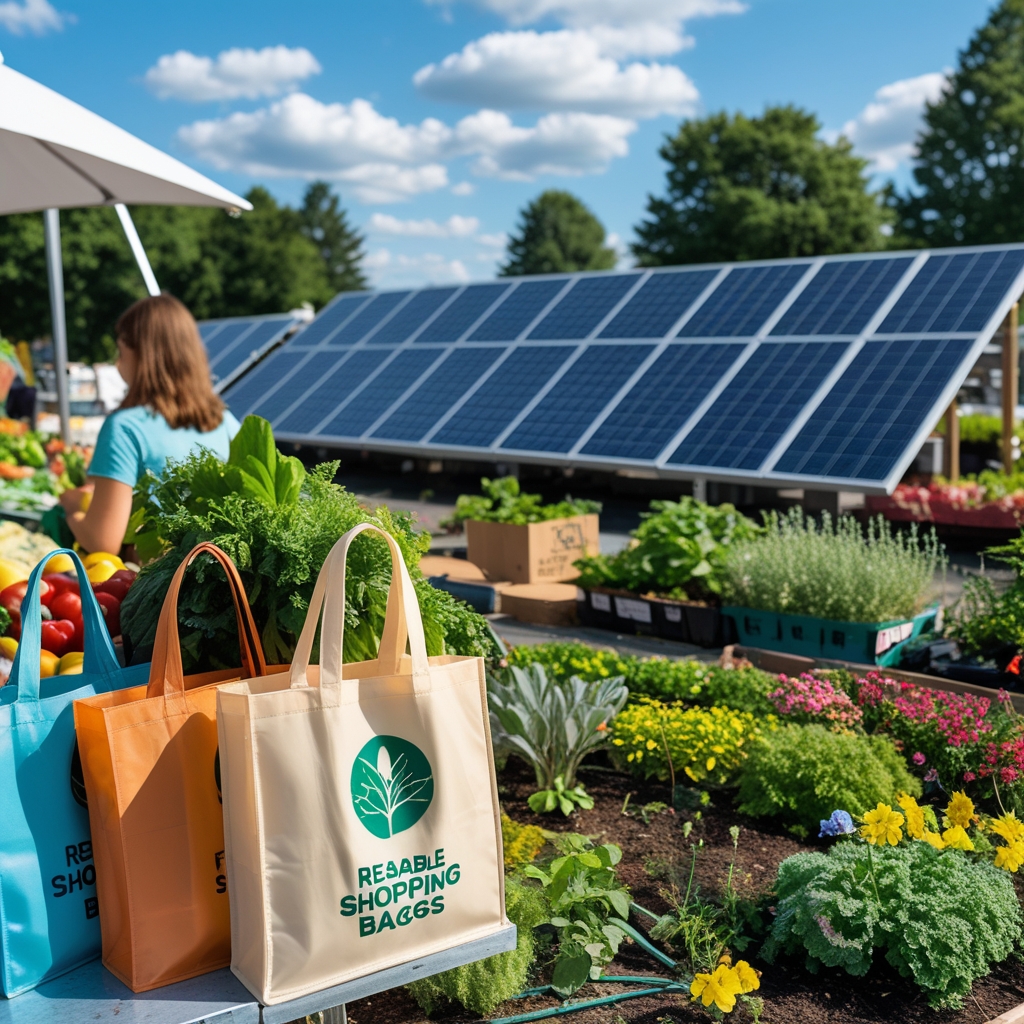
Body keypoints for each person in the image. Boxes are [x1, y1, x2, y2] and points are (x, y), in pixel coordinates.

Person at [59, 295, 240, 554]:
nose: (117, 362)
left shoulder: (125, 428)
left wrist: (73, 510)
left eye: (120, 351)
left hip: (154, 583)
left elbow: (103, 543)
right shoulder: (226, 423)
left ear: (139, 354)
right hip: (216, 580)